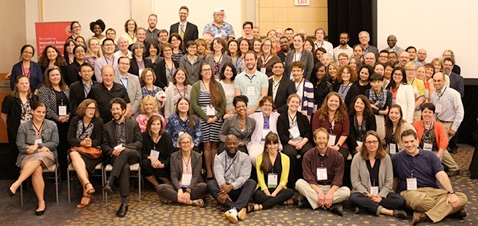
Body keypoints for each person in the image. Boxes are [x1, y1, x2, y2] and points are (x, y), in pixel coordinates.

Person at [392, 129, 468, 225]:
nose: (409, 145)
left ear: (417, 141)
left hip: (432, 191)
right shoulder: (396, 158)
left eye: (412, 141)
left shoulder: (430, 156)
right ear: (402, 144)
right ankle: (453, 211)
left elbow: (441, 174)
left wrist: (451, 192)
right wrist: (393, 195)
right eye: (406, 142)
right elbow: (394, 179)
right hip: (410, 192)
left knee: (462, 197)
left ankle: (424, 216)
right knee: (419, 201)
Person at [8, 101, 59, 215]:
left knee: (40, 158)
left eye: (43, 112)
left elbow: (55, 143)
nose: (41, 114)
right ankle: (41, 202)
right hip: (27, 155)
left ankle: (17, 183)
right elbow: (20, 145)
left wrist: (38, 146)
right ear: (32, 111)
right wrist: (36, 150)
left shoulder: (52, 125)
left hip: (47, 156)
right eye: (38, 112)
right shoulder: (23, 126)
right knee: (37, 170)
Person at [349, 131, 407, 219]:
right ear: (364, 143)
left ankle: (365, 206)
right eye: (369, 142)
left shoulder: (386, 157)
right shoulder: (357, 157)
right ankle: (388, 212)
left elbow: (389, 182)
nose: (372, 144)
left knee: (400, 200)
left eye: (374, 141)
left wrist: (380, 196)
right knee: (354, 197)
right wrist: (368, 194)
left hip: (381, 193)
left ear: (378, 143)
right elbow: (355, 181)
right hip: (364, 193)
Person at [295, 128, 350, 215]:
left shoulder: (338, 156)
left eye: (324, 138)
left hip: (331, 188)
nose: (322, 141)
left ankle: (311, 201)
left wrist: (329, 194)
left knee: (346, 192)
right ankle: (331, 205)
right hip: (314, 188)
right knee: (299, 183)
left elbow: (338, 179)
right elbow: (309, 178)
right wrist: (319, 192)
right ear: (315, 140)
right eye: (319, 138)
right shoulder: (308, 155)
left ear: (328, 140)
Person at [102, 97, 142, 217]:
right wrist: (112, 151)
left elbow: (139, 143)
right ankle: (124, 203)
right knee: (124, 167)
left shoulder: (133, 124)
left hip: (131, 153)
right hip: (115, 156)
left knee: (124, 152)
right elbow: (104, 145)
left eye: (117, 109)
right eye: (113, 109)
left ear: (123, 110)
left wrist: (124, 147)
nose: (115, 111)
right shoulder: (106, 126)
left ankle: (111, 180)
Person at [207, 134, 257, 223]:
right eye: (229, 144)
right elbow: (219, 176)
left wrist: (231, 187)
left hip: (238, 189)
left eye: (234, 143)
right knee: (211, 184)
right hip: (224, 190)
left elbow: (244, 177)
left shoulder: (245, 157)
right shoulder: (218, 158)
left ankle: (233, 209)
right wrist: (224, 190)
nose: (232, 146)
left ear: (238, 144)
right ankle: (238, 207)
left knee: (251, 182)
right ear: (224, 145)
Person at [190, 63, 226, 179]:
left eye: (209, 69)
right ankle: (209, 171)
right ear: (200, 73)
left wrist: (216, 117)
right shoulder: (196, 86)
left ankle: (215, 170)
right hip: (203, 120)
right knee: (207, 145)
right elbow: (194, 104)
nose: (207, 72)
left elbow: (223, 104)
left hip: (216, 119)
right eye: (204, 70)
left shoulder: (217, 85)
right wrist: (206, 118)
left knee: (214, 145)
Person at [67, 99, 104, 208]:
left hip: (92, 153)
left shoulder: (98, 122)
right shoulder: (75, 120)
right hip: (78, 150)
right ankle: (86, 189)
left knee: (75, 157)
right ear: (84, 109)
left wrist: (90, 142)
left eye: (94, 108)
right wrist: (81, 142)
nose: (92, 111)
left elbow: (100, 140)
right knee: (74, 154)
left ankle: (86, 188)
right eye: (90, 108)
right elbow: (69, 139)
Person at [157, 133, 207, 207]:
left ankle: (175, 199)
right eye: (183, 142)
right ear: (179, 145)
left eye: (188, 142)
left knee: (204, 186)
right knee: (160, 188)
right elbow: (173, 176)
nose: (186, 144)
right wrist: (179, 190)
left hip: (193, 187)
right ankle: (191, 202)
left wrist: (188, 190)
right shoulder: (173, 156)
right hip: (178, 187)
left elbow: (196, 176)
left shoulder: (198, 156)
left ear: (191, 144)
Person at [38, 66, 70, 179]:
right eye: (52, 75)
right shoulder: (44, 90)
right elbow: (44, 107)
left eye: (57, 75)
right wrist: (57, 118)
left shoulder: (66, 88)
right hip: (52, 124)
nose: (55, 77)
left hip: (67, 123)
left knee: (66, 147)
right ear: (48, 77)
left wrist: (68, 115)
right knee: (56, 147)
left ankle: (66, 174)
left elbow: (72, 103)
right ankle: (57, 175)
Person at [250, 132, 294, 212]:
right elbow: (261, 181)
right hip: (265, 189)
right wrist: (268, 194)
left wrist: (273, 194)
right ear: (266, 145)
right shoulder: (260, 158)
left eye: (275, 144)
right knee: (256, 195)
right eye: (269, 144)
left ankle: (262, 206)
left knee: (290, 192)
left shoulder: (286, 158)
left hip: (278, 189)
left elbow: (284, 180)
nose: (272, 147)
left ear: (278, 144)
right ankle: (280, 201)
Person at [412, 103, 461, 177]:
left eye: (430, 112)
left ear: (433, 114)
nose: (427, 114)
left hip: (435, 152)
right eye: (425, 112)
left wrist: (438, 156)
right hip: (421, 152)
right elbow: (414, 140)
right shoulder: (415, 125)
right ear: (421, 113)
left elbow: (444, 140)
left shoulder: (439, 125)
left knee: (432, 172)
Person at [277, 94, 314, 188]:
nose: (295, 104)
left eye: (297, 102)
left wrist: (302, 143)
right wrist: (293, 143)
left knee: (308, 153)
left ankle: (306, 180)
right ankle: (292, 183)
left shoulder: (302, 117)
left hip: (303, 141)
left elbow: (308, 132)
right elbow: (282, 135)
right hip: (289, 142)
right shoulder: (282, 117)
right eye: (292, 102)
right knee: (289, 154)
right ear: (288, 103)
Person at [2, 75, 38, 168]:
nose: (24, 85)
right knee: (16, 154)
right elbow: (4, 115)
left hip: (31, 130)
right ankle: (17, 178)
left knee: (31, 154)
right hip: (15, 131)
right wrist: (9, 126)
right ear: (17, 85)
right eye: (21, 83)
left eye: (26, 83)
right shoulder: (9, 99)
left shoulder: (34, 98)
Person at [430, 72, 464, 156]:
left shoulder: (453, 93)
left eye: (439, 81)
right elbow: (434, 112)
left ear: (444, 81)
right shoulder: (434, 95)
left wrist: (454, 128)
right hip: (438, 122)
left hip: (449, 124)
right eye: (434, 81)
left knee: (440, 146)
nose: (436, 83)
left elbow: (460, 111)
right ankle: (452, 167)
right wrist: (433, 125)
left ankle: (445, 166)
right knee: (439, 146)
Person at [312, 92, 351, 160]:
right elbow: (315, 131)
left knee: (341, 156)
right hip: (321, 142)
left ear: (339, 103)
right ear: (327, 101)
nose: (333, 103)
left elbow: (345, 132)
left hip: (339, 144)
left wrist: (337, 146)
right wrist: (326, 145)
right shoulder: (318, 113)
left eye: (336, 101)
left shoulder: (344, 114)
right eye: (331, 101)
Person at [141, 115, 174, 191]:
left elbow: (171, 155)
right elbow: (141, 152)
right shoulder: (144, 136)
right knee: (144, 163)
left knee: (164, 165)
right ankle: (157, 185)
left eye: (158, 124)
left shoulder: (166, 136)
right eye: (153, 124)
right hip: (150, 162)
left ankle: (167, 182)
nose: (156, 127)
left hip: (163, 162)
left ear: (161, 126)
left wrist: (163, 165)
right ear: (149, 125)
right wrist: (151, 158)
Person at [248, 96, 280, 166]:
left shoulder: (277, 116)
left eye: (269, 105)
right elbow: (243, 118)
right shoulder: (254, 116)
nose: (267, 107)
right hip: (258, 142)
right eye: (265, 105)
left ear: (272, 107)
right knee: (254, 157)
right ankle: (260, 174)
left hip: (272, 143)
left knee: (274, 159)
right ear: (261, 106)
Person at [366, 74, 392, 140]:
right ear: (371, 83)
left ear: (382, 82)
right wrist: (380, 111)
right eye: (374, 82)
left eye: (378, 82)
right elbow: (367, 109)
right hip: (370, 118)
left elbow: (387, 110)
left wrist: (373, 106)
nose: (376, 84)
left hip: (383, 120)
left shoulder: (388, 93)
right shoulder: (367, 92)